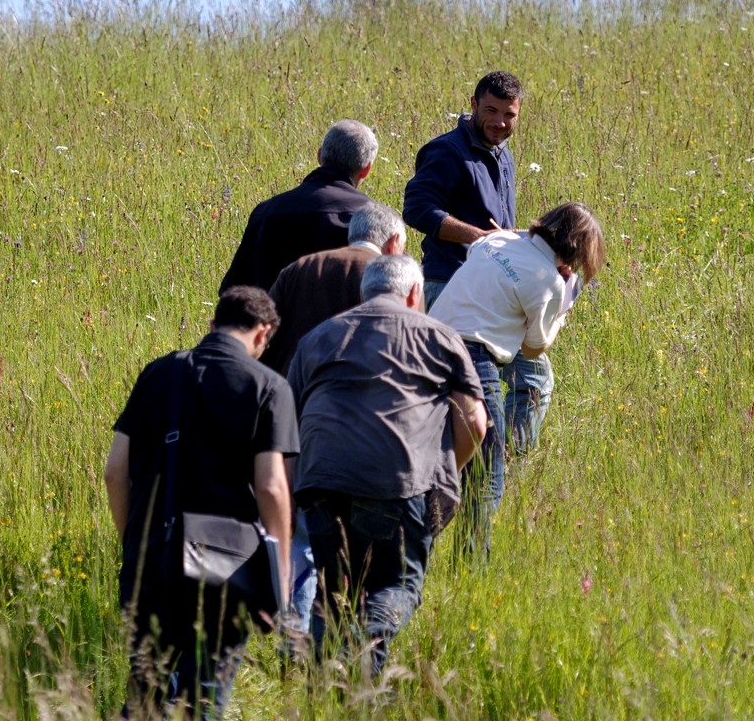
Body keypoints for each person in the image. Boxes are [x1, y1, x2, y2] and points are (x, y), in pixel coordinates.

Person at [103, 287, 296, 721]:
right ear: (263, 335)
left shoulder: (158, 374)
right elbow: (270, 486)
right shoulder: (269, 387)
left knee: (144, 700)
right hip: (223, 574)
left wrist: (133, 541)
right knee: (201, 708)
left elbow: (116, 471)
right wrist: (280, 571)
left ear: (212, 326)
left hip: (151, 561)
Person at [286, 254, 487, 677]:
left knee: (334, 588)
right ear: (416, 294)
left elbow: (287, 424)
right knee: (395, 585)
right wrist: (442, 470)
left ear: (363, 294)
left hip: (320, 482)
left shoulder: (319, 337)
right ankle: (364, 658)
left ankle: (325, 689)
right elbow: (474, 421)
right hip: (397, 482)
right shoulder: (441, 337)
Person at [259, 201, 406, 637]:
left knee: (301, 538)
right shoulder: (394, 284)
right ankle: (350, 640)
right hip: (374, 432)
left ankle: (294, 639)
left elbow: (268, 340)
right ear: (394, 241)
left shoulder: (299, 269)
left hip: (299, 418)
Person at [428, 202, 604, 556]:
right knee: (486, 474)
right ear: (577, 250)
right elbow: (535, 347)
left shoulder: (497, 242)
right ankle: (470, 565)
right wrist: (563, 310)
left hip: (426, 345)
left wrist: (513, 236)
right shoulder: (551, 283)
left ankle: (412, 544)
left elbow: (482, 247)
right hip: (474, 360)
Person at [402, 71, 553, 455]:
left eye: (509, 115)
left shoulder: (503, 154)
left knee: (532, 377)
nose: (500, 122)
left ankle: (501, 461)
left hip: (493, 294)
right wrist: (477, 237)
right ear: (472, 105)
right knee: (454, 392)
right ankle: (481, 469)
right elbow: (417, 208)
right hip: (451, 286)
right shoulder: (446, 151)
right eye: (491, 111)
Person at [220, 119, 378, 293]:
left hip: (273, 319)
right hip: (345, 320)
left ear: (319, 156)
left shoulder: (266, 212)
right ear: (366, 169)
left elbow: (235, 291)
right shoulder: (373, 219)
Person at [260, 201, 406, 375]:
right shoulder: (395, 276)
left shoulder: (298, 268)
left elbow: (264, 329)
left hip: (297, 384)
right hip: (365, 389)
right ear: (394, 240)